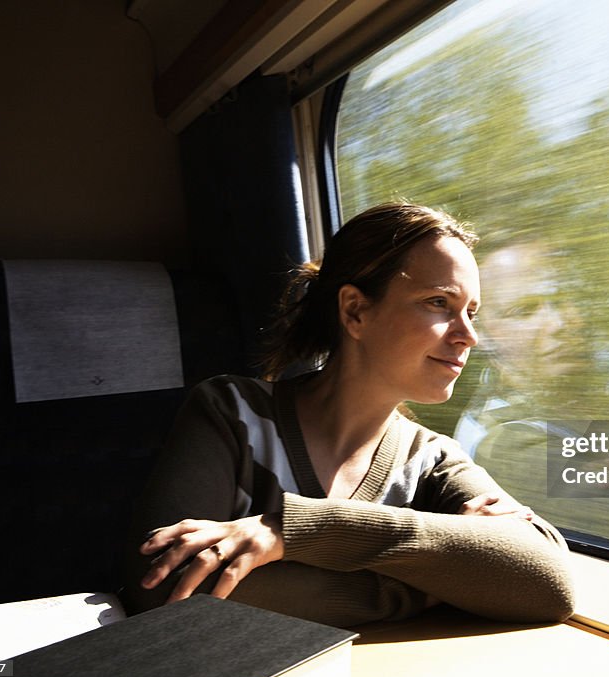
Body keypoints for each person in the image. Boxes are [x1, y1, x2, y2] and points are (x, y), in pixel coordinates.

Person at [121, 203, 575, 626]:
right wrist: (430, 579)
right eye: (439, 303)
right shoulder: (231, 413)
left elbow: (548, 579)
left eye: (471, 313)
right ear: (355, 311)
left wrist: (292, 532)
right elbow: (164, 588)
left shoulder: (433, 458)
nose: (468, 337)